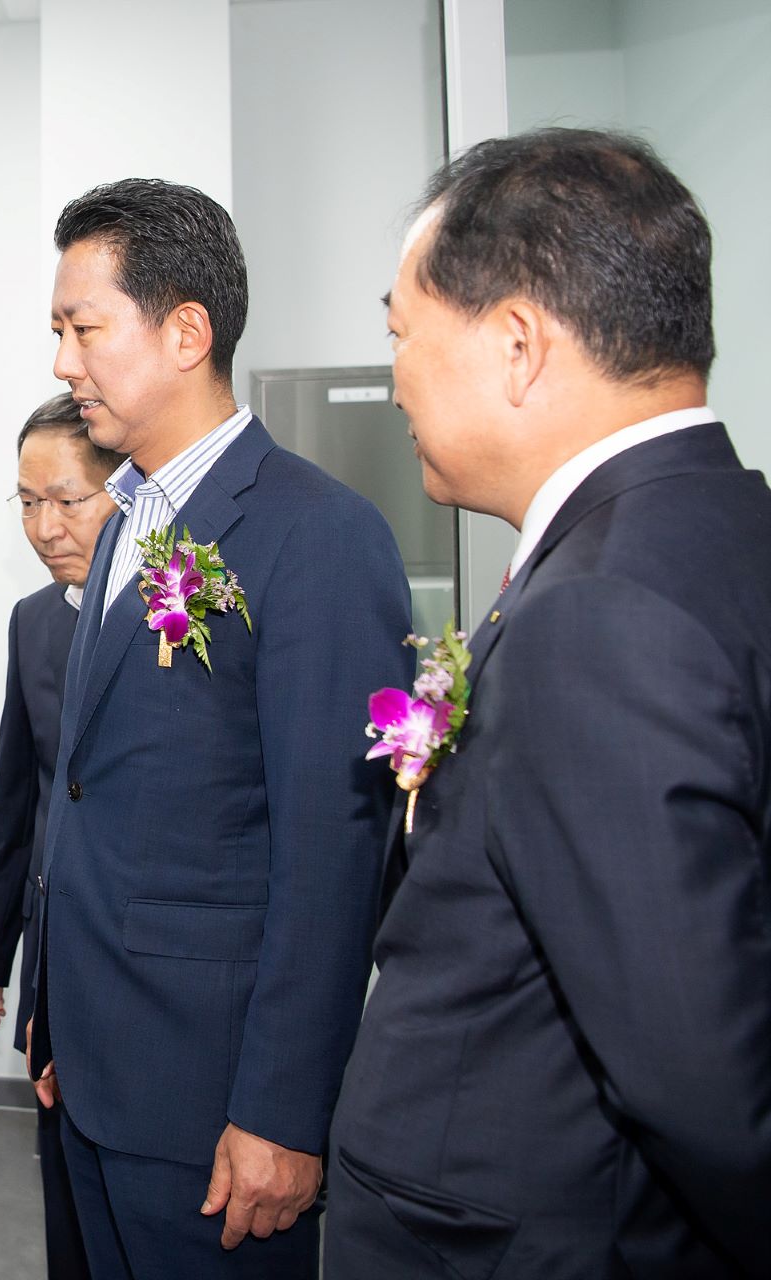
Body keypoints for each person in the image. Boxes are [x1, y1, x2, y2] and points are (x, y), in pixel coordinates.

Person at [326, 128, 771, 1279]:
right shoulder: (721, 532)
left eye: (401, 336)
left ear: (519, 345)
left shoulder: (600, 615)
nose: (395, 380)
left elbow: (697, 1078)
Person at [28, 179, 412, 1277]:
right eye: (58, 332)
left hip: (216, 1100)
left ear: (186, 332)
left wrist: (284, 1109)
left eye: (83, 329)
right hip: (92, 1069)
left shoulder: (318, 534)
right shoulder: (127, 523)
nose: (63, 362)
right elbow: (93, 788)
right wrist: (58, 1015)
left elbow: (335, 850)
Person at [0, 391, 123, 1279]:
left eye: (67, 500)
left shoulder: (169, 609)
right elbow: (19, 791)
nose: (45, 526)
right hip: (53, 951)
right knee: (63, 1182)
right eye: (27, 503)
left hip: (133, 956)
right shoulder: (34, 620)